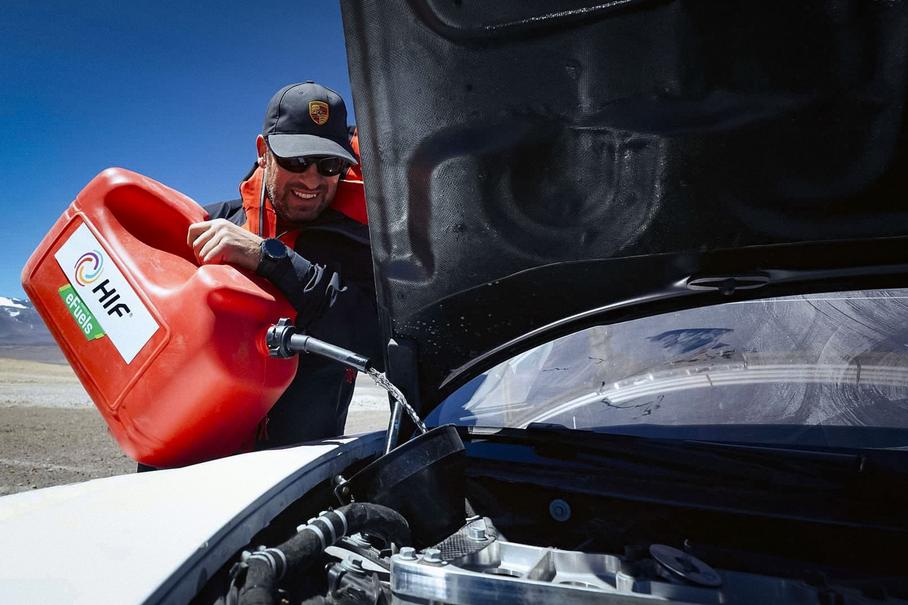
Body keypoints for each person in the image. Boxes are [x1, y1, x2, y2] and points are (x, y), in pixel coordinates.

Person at [187, 81, 381, 448]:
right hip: (195, 457)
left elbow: (376, 342)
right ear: (264, 152)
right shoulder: (212, 222)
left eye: (330, 165)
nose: (312, 179)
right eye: (296, 160)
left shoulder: (359, 247)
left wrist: (270, 258)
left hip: (300, 469)